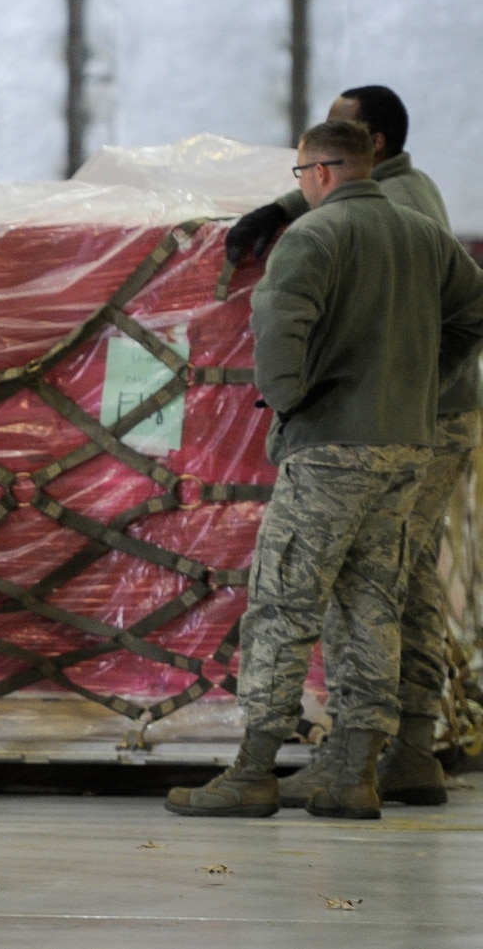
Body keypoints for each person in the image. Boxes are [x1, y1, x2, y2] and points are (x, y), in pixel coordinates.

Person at [167, 119, 483, 821]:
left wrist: (291, 399)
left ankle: (253, 771)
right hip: (406, 448)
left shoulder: (312, 235)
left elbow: (279, 326)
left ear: (319, 172)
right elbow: (473, 312)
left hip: (330, 447)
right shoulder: (425, 235)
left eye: (301, 176)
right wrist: (424, 383)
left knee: (284, 601)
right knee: (374, 604)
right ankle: (355, 773)